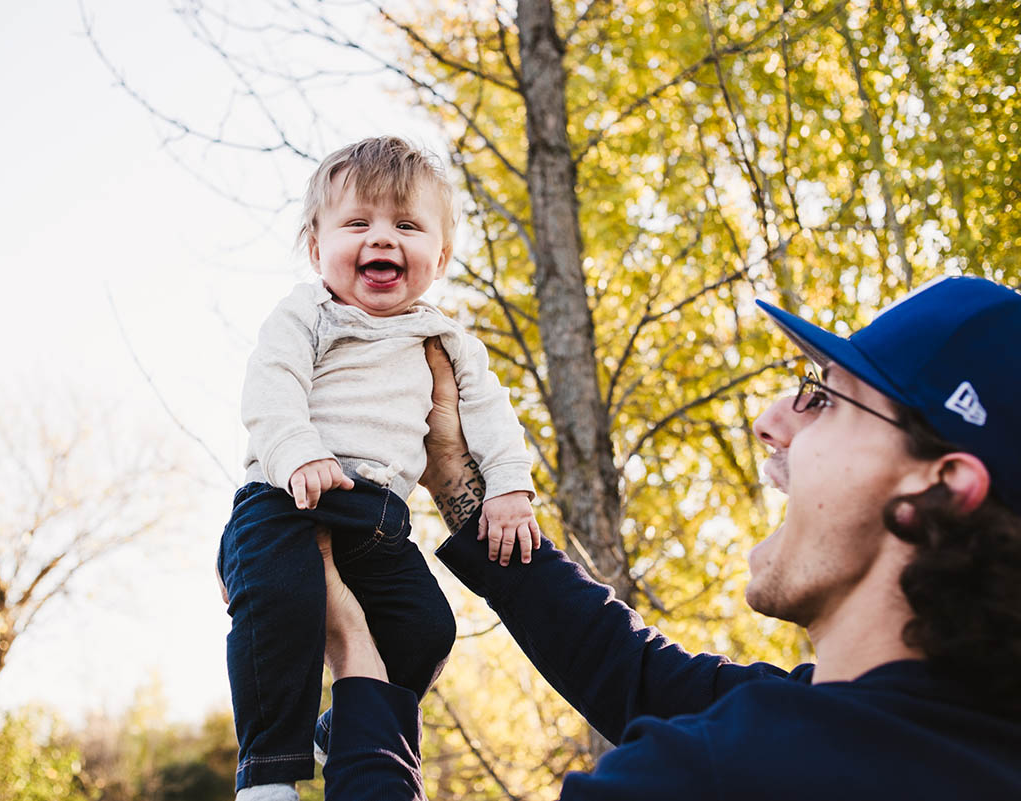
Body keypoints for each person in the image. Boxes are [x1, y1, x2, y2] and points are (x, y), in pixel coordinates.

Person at [315, 275, 1021, 799]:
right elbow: (638, 675)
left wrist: (356, 658)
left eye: (824, 398)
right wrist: (462, 485)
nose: (771, 417)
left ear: (943, 485)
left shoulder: (737, 771)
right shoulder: (963, 734)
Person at [218, 136, 540, 801]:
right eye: (358, 223)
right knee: (281, 608)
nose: (381, 239)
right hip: (287, 499)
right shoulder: (307, 312)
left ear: (441, 257)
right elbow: (270, 387)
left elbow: (488, 412)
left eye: (407, 225)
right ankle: (270, 772)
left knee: (427, 628)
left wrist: (509, 486)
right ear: (316, 248)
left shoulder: (444, 336)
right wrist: (298, 451)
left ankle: (351, 729)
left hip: (382, 518)